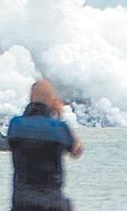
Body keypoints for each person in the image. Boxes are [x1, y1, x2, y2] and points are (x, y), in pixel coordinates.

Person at [7, 79, 84, 211]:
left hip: (22, 203)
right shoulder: (59, 128)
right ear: (52, 101)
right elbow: (77, 150)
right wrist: (58, 117)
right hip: (53, 204)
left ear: (31, 98)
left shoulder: (16, 125)